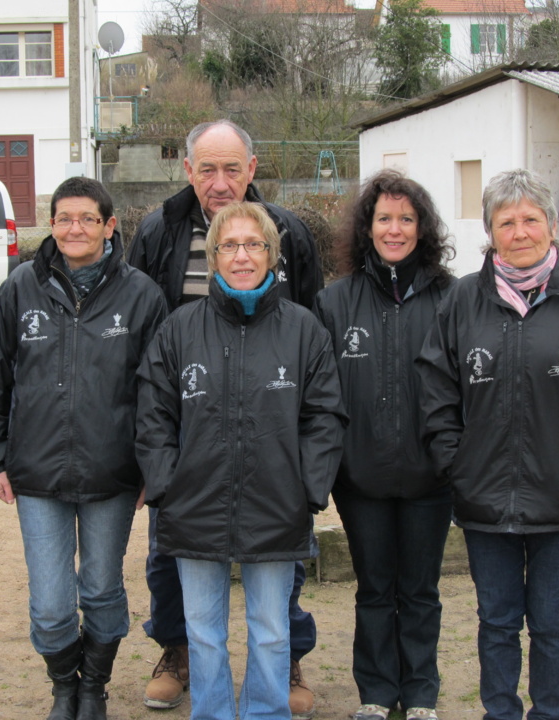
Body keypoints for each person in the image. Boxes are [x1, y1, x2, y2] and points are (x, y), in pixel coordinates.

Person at [417, 169, 559, 720]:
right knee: (496, 622)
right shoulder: (460, 302)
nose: (520, 232)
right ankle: (501, 713)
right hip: (483, 500)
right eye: (506, 221)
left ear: (551, 226)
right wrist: (455, 462)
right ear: (491, 232)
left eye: (530, 219)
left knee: (551, 623)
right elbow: (436, 392)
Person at [126, 119, 324, 717]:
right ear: (188, 171)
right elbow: (148, 366)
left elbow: (318, 383)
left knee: (272, 608)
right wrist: (161, 477)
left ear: (252, 169)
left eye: (231, 169)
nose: (219, 182)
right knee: (188, 596)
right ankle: (177, 656)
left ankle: (281, 670)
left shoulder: (290, 233)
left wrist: (307, 481)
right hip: (193, 461)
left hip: (270, 460)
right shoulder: (158, 231)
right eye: (206, 169)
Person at [0, 177, 168, 720]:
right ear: (51, 224)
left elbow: (157, 392)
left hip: (112, 473)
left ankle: (94, 688)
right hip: (35, 472)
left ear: (110, 226)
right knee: (52, 601)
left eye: (87, 218)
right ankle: (64, 684)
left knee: (103, 588)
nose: (74, 228)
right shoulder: (19, 288)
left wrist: (151, 467)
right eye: (63, 218)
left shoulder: (141, 295)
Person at [313, 170, 455, 720]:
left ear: (422, 228)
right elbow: (322, 396)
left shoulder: (450, 297)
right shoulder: (334, 302)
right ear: (366, 228)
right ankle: (375, 693)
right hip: (362, 478)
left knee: (420, 590)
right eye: (384, 219)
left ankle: (420, 694)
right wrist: (335, 465)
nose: (394, 230)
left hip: (430, 477)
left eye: (406, 219)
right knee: (374, 589)